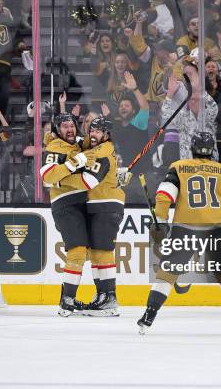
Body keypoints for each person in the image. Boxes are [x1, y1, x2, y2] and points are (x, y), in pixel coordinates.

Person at [138, 132, 221, 334]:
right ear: (212, 149)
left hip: (185, 228)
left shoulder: (179, 167)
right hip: (217, 229)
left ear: (192, 147)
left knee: (167, 274)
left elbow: (164, 196)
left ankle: (148, 316)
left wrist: (161, 222)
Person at [54, 117, 125, 316]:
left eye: (98, 131)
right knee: (96, 253)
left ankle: (109, 299)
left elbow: (89, 181)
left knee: (102, 252)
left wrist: (60, 181)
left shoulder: (102, 151)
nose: (93, 134)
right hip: (98, 206)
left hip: (106, 206)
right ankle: (103, 297)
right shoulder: (95, 149)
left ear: (107, 135)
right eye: (92, 130)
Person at [39, 113, 95, 316]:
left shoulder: (80, 144)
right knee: (77, 252)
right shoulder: (55, 148)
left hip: (84, 203)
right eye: (64, 126)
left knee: (88, 252)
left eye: (72, 125)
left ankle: (66, 298)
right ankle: (67, 302)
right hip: (65, 204)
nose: (69, 129)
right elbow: (47, 177)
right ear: (57, 130)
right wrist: (72, 164)